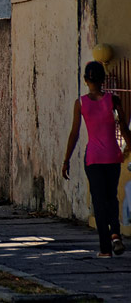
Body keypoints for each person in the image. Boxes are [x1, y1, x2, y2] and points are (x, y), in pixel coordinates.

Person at [62, 61, 131, 257]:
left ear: (86, 80)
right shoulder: (114, 100)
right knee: (111, 197)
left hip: (93, 158)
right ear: (103, 80)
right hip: (112, 156)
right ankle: (116, 234)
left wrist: (66, 160)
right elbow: (124, 129)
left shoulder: (81, 103)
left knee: (99, 201)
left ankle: (105, 248)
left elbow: (74, 133)